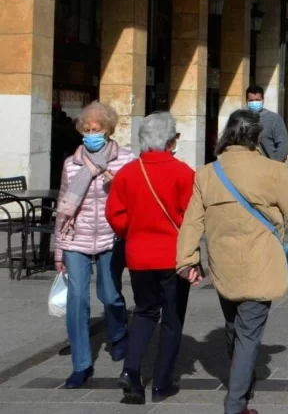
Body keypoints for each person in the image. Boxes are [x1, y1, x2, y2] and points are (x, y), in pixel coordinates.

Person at [177, 109, 288, 414]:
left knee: (232, 325)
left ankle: (242, 378)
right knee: (248, 334)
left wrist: (187, 260)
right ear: (256, 137)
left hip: (223, 265)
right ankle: (236, 404)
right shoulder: (272, 170)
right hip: (261, 262)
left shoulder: (206, 173)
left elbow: (191, 222)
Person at [105, 112, 194, 405]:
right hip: (173, 256)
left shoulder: (128, 173)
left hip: (139, 255)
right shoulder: (183, 173)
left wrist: (134, 232)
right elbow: (191, 217)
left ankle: (131, 372)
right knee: (171, 319)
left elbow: (115, 216)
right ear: (170, 141)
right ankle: (163, 382)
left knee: (144, 312)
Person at [54, 101, 133, 389]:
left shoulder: (125, 160)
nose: (91, 134)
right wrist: (59, 250)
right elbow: (64, 207)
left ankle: (119, 332)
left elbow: (135, 201)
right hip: (77, 237)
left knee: (110, 295)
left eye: (96, 129)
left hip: (112, 237)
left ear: (109, 130)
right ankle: (81, 364)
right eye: (86, 130)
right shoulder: (71, 164)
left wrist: (119, 187)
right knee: (77, 300)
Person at [246, 85, 288, 162]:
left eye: (257, 100)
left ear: (263, 100)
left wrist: (276, 163)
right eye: (251, 100)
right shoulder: (240, 119)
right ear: (247, 101)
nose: (254, 102)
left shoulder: (274, 119)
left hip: (269, 165)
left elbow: (283, 145)